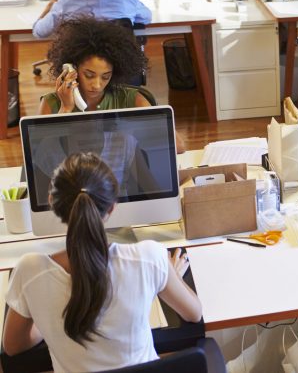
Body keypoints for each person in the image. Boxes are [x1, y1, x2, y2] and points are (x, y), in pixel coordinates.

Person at [3, 153, 202, 372]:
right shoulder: (149, 258)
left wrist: (46, 320)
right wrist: (167, 274)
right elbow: (194, 313)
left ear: (52, 202)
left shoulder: (30, 271)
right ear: (112, 207)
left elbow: (13, 346)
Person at [38, 16, 150, 115]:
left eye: (105, 76)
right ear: (72, 69)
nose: (97, 85)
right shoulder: (51, 104)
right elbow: (41, 139)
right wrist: (65, 109)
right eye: (89, 75)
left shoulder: (133, 101)